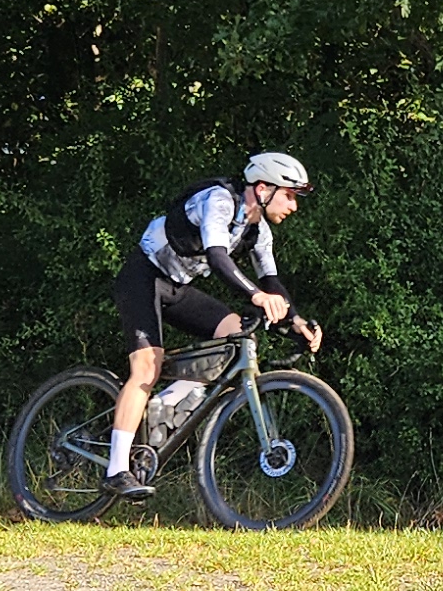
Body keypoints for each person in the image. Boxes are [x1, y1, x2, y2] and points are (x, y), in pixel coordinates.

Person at [107, 152, 324, 496]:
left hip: (177, 287)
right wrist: (256, 296)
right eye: (289, 195)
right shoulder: (219, 201)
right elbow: (218, 257)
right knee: (148, 367)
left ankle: (167, 402)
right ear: (263, 188)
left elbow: (271, 282)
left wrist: (296, 321)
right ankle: (116, 470)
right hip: (143, 278)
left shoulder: (258, 231)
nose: (293, 206)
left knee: (236, 337)